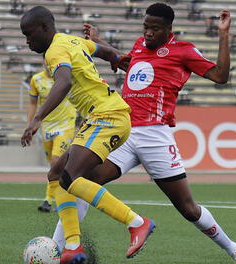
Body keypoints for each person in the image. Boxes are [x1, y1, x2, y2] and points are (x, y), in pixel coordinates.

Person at [54, 3, 236, 264]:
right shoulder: (140, 45)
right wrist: (97, 42)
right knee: (78, 180)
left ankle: (234, 250)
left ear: (168, 29)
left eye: (155, 28)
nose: (149, 33)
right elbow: (124, 62)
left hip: (155, 136)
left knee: (187, 208)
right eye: (146, 27)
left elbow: (220, 76)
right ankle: (59, 249)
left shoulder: (183, 51)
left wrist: (223, 35)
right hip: (125, 131)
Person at [20, 6, 155, 264]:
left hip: (107, 116)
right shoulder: (71, 40)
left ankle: (136, 222)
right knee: (57, 174)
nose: (27, 40)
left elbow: (64, 82)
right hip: (103, 116)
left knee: (70, 177)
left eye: (29, 34)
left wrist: (37, 118)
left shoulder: (54, 51)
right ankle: (73, 246)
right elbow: (100, 50)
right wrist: (116, 59)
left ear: (46, 28)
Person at [27, 58, 77, 212]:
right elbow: (33, 104)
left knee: (56, 161)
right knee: (53, 166)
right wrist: (30, 124)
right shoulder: (36, 79)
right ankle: (63, 197)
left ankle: (49, 200)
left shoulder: (67, 77)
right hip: (47, 127)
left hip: (66, 124)